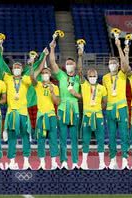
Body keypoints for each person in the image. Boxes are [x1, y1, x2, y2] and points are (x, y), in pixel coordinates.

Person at [0, 42, 33, 170]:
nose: (16, 68)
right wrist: (0, 50)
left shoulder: (26, 79)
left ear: (22, 70)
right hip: (12, 113)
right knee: (12, 138)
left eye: (19, 66)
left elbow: (34, 77)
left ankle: (26, 161)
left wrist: (33, 63)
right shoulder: (7, 78)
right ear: (12, 69)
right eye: (15, 66)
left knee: (25, 137)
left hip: (23, 113)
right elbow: (0, 65)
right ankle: (11, 161)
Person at [49, 40, 82, 169]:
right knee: (62, 138)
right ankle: (63, 161)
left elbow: (82, 97)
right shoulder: (61, 76)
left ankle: (74, 162)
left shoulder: (79, 78)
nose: (69, 65)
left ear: (74, 65)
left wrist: (75, 94)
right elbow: (52, 63)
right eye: (67, 63)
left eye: (71, 63)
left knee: (74, 139)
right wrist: (52, 48)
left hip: (74, 109)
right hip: (62, 110)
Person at [30, 48, 60, 170]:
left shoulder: (55, 87)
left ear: (50, 75)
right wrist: (32, 64)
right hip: (41, 116)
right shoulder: (37, 86)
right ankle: (42, 163)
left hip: (52, 116)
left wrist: (52, 92)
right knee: (41, 140)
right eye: (43, 73)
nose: (45, 74)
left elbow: (57, 102)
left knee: (53, 139)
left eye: (47, 73)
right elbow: (32, 78)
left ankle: (53, 162)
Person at [103, 39, 130, 169]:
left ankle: (125, 159)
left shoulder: (122, 73)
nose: (112, 64)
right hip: (109, 108)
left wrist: (120, 48)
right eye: (110, 63)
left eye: (114, 63)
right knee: (111, 135)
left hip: (122, 107)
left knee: (124, 134)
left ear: (118, 65)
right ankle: (113, 160)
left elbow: (126, 65)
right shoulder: (105, 77)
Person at [79, 63, 107, 170]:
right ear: (87, 77)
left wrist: (99, 109)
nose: (92, 78)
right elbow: (80, 72)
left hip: (98, 116)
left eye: (94, 76)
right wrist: (80, 54)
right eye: (90, 76)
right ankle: (84, 163)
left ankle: (102, 163)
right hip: (87, 116)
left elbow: (105, 101)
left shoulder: (102, 88)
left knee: (100, 139)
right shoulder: (84, 85)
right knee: (86, 140)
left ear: (97, 76)